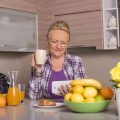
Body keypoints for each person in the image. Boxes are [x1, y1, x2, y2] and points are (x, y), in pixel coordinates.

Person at [27, 21, 87, 99]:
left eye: (63, 43)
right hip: (47, 110)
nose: (58, 46)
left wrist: (71, 94)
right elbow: (33, 96)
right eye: (54, 42)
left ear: (67, 43)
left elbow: (82, 94)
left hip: (70, 109)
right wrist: (38, 70)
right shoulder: (40, 62)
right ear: (48, 41)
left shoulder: (76, 62)